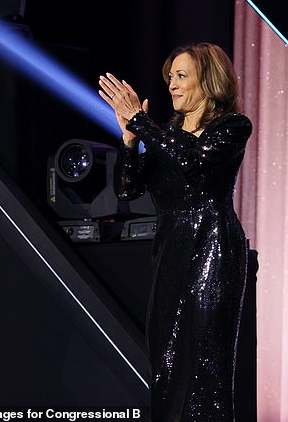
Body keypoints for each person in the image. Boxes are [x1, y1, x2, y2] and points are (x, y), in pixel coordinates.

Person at [98, 42, 252, 421]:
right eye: (170, 77)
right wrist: (130, 140)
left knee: (205, 365)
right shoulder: (164, 132)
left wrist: (140, 122)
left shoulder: (231, 127)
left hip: (213, 252)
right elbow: (127, 188)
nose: (172, 85)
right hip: (171, 254)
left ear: (208, 82)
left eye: (181, 76)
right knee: (165, 363)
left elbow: (192, 161)